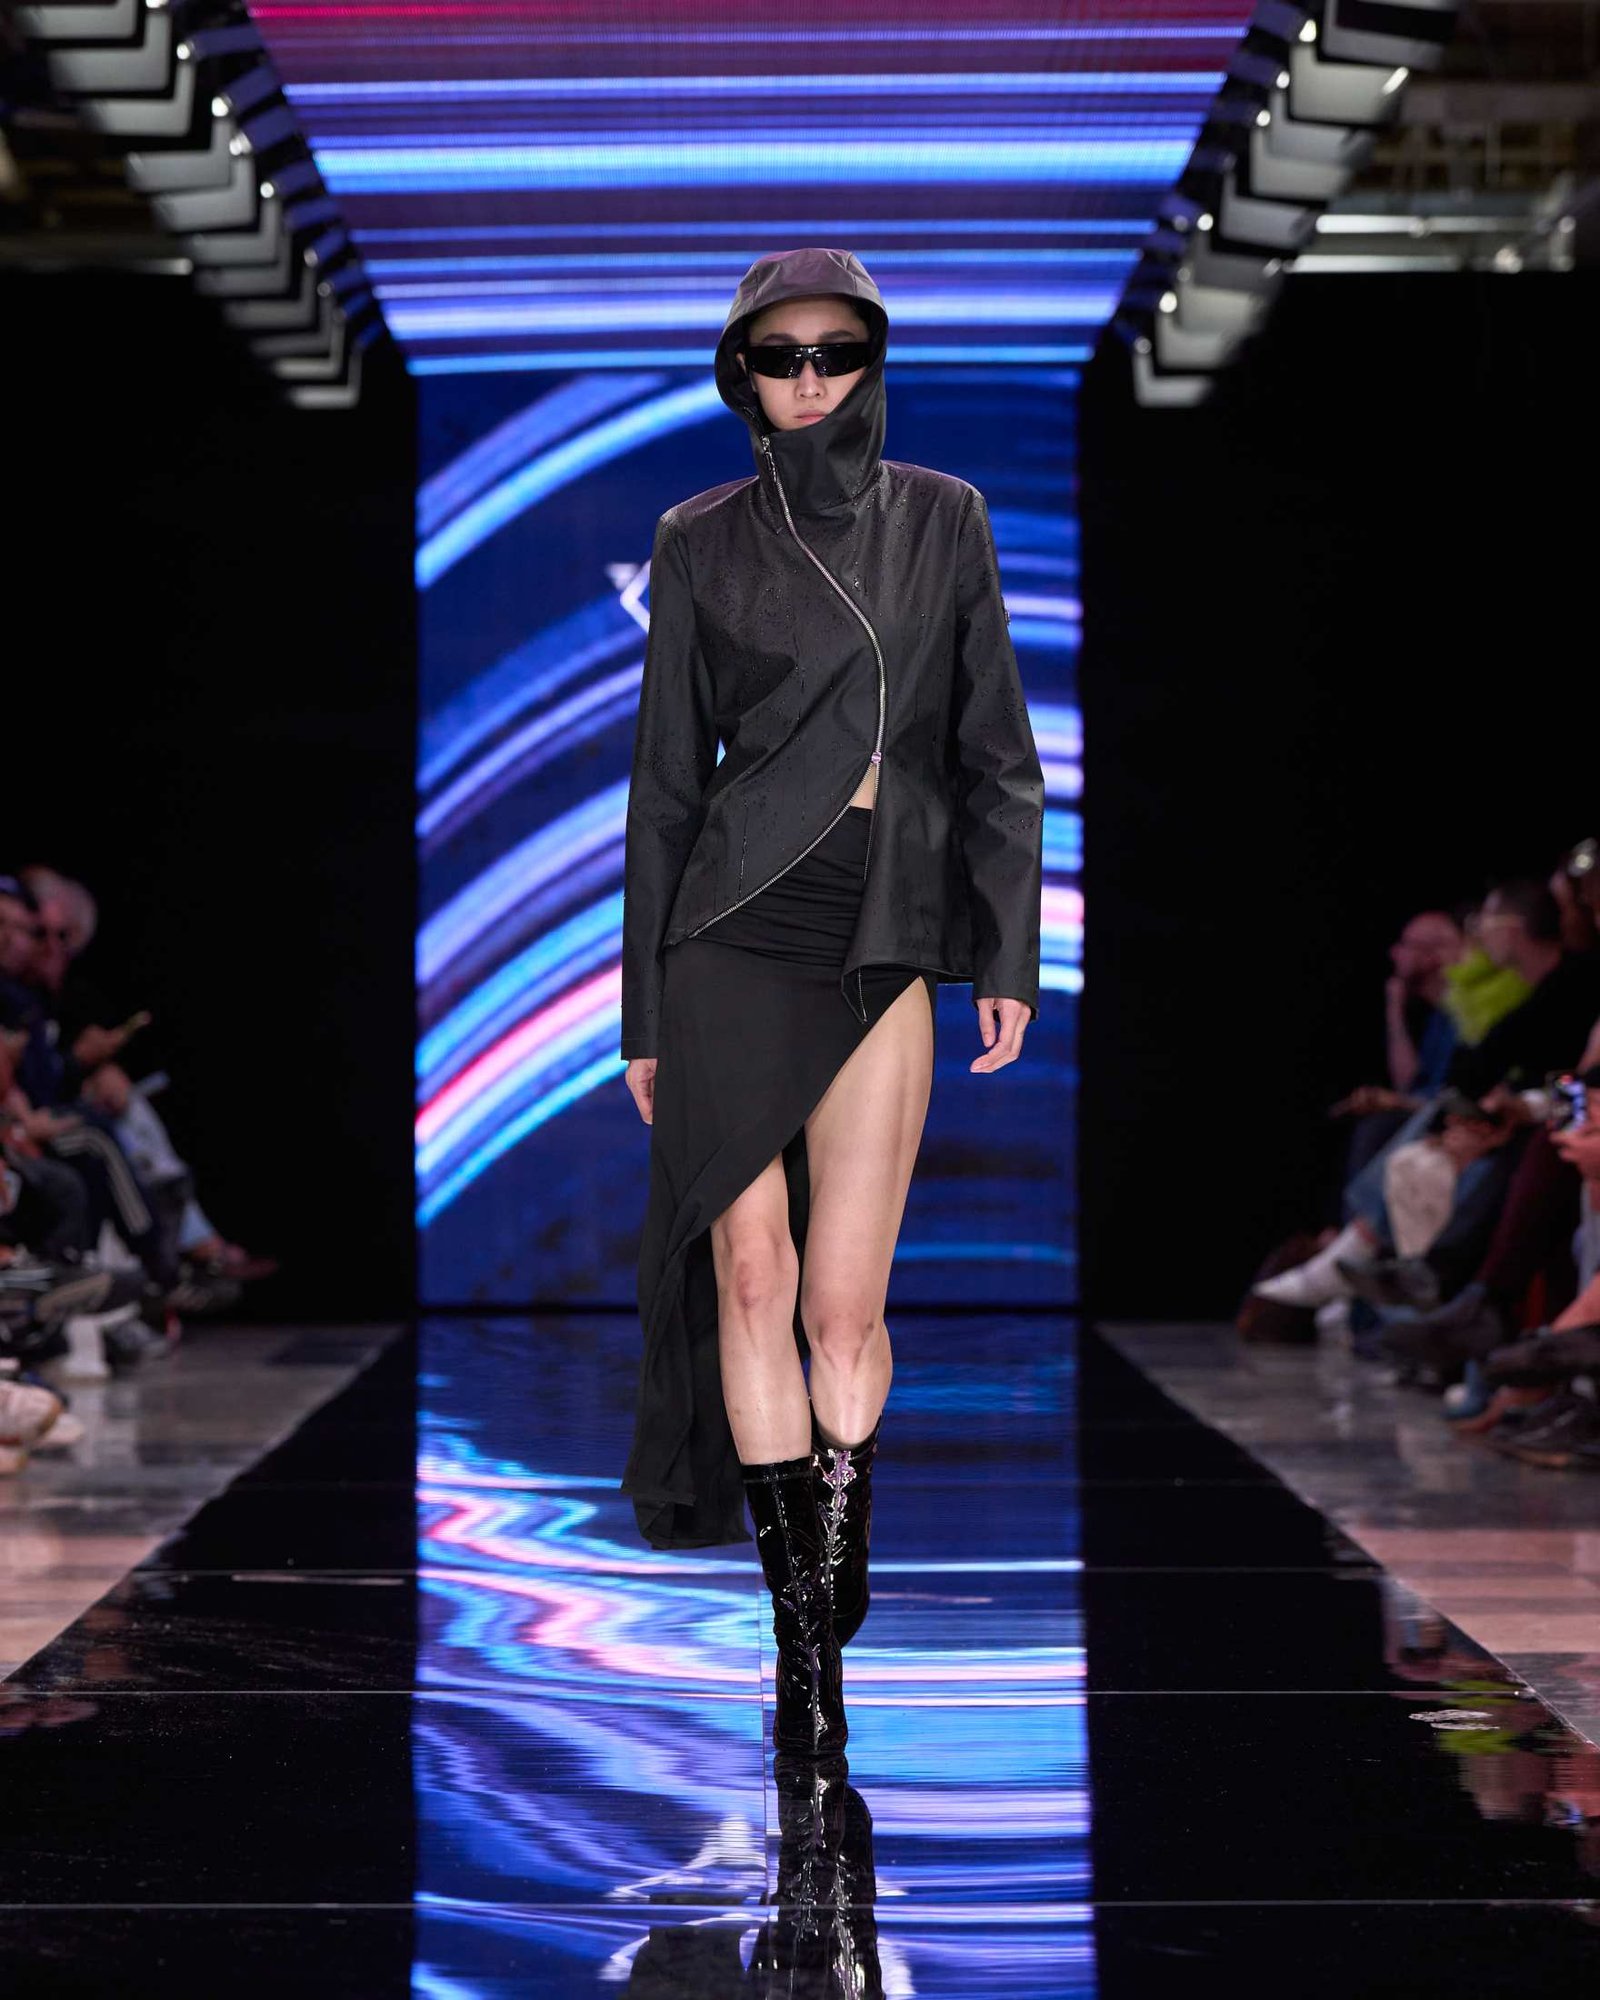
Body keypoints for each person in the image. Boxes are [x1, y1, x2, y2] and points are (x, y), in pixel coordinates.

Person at [618, 248, 1044, 1758]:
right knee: (750, 1275)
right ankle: (803, 1635)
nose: (809, 381)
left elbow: (996, 754)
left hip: (883, 932)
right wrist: (641, 1011)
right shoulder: (698, 537)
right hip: (728, 931)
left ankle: (838, 1542)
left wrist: (1009, 953)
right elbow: (665, 786)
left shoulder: (946, 517)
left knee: (843, 1304)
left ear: (872, 360)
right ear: (741, 371)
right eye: (779, 356)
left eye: (834, 353)